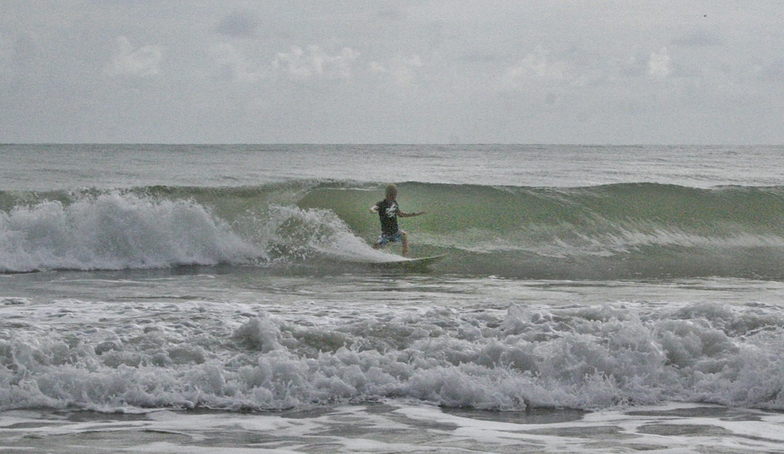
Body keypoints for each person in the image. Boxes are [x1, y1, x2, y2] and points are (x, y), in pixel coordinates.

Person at [369, 183, 425, 257]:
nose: (394, 197)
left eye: (395, 194)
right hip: (386, 234)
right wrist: (372, 210)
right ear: (386, 194)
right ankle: (370, 257)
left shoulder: (395, 203)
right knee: (375, 248)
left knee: (404, 235)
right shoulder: (381, 204)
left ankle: (404, 258)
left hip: (395, 232)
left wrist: (416, 214)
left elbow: (401, 215)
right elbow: (373, 208)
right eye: (391, 195)